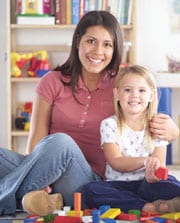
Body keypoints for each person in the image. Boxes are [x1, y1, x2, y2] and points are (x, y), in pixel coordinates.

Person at [0, 11, 179, 216]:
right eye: (91, 41)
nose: (98, 51)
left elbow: (146, 114)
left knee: (61, 143)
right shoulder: (52, 81)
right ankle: (38, 197)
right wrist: (42, 177)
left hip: (88, 183)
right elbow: (36, 143)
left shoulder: (121, 87)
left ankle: (6, 198)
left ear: (115, 49)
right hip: (48, 172)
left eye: (107, 45)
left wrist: (173, 132)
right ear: (78, 42)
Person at [83, 65, 180, 213]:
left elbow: (160, 164)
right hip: (117, 185)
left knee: (172, 184)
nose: (135, 95)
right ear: (116, 94)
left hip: (148, 185)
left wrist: (154, 173)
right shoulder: (109, 124)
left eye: (142, 90)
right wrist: (145, 161)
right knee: (91, 190)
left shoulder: (158, 126)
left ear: (151, 96)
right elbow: (115, 161)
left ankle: (152, 203)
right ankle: (148, 207)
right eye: (128, 90)